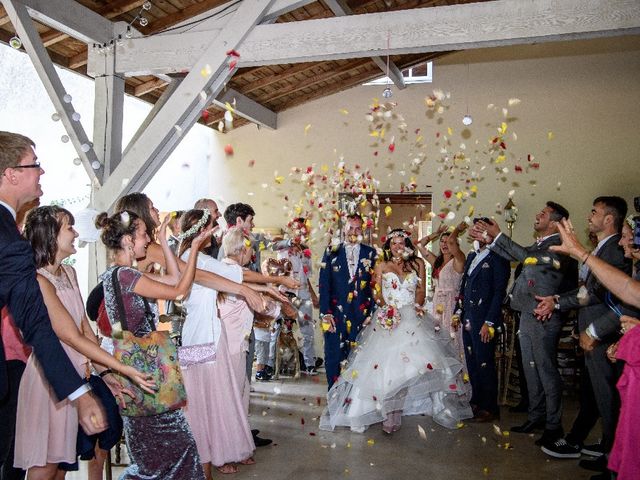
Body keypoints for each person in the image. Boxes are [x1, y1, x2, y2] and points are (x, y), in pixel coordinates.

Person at [14, 206, 154, 479]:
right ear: (51, 235)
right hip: (49, 376)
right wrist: (125, 369)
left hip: (75, 377)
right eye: (69, 227)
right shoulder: (38, 281)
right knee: (44, 466)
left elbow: (85, 331)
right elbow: (70, 336)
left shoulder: (69, 273)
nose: (76, 233)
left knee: (61, 464)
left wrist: (106, 373)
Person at [0, 131, 106, 478]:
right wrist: (80, 393)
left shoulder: (12, 236)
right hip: (43, 373)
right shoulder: (10, 241)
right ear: (11, 174)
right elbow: (37, 325)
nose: (41, 172)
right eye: (35, 165)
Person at [320, 229, 472, 433]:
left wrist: (414, 308)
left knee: (418, 365)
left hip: (411, 317)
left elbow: (421, 292)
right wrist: (388, 311)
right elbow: (377, 293)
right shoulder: (381, 264)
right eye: (394, 244)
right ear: (389, 246)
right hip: (387, 319)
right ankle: (388, 414)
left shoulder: (417, 264)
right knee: (385, 368)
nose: (398, 247)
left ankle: (424, 407)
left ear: (407, 244)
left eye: (401, 243)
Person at [97, 209, 207, 479]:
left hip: (138, 370)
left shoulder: (120, 275)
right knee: (177, 452)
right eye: (144, 235)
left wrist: (162, 237)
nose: (147, 241)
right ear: (126, 240)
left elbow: (172, 279)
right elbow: (180, 290)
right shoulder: (125, 276)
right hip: (146, 376)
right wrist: (193, 249)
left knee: (161, 459)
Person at [536, 197, 631, 477]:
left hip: (605, 332)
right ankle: (605, 450)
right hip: (594, 331)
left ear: (609, 219)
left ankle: (613, 460)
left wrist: (592, 329)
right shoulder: (602, 248)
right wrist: (556, 300)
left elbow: (599, 294)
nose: (590, 215)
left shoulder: (614, 250)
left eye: (595, 212)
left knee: (609, 399)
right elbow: (585, 290)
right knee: (598, 397)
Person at [471, 202, 578, 447]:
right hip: (528, 314)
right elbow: (516, 255)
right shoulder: (540, 243)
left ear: (554, 222)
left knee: (546, 371)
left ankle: (553, 424)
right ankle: (536, 416)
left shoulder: (557, 245)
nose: (537, 215)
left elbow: (527, 258)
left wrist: (497, 235)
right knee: (531, 370)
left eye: (543, 214)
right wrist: (491, 239)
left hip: (543, 315)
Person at [177, 211, 256, 476]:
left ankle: (207, 464)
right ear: (200, 231)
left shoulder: (199, 258)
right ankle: (202, 465)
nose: (215, 232)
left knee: (209, 404)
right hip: (200, 340)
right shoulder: (191, 259)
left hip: (208, 336)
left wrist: (268, 287)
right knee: (201, 406)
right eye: (212, 227)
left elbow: (232, 277)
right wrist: (274, 282)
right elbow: (234, 277)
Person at [459, 217, 511, 423]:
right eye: (475, 228)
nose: (475, 232)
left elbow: (499, 292)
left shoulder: (498, 257)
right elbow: (464, 286)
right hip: (468, 317)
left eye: (480, 229)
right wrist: (458, 311)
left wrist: (489, 322)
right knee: (472, 361)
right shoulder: (473, 256)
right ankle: (477, 401)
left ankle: (490, 407)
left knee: (485, 362)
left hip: (484, 320)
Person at [319, 214, 376, 388]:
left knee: (359, 358)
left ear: (363, 231)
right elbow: (324, 284)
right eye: (350, 228)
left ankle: (353, 401)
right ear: (344, 229)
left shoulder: (371, 253)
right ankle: (333, 397)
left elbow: (375, 287)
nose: (353, 232)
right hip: (335, 315)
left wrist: (372, 313)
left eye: (357, 228)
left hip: (361, 316)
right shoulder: (331, 251)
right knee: (334, 356)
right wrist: (326, 314)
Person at [418, 223, 468, 375]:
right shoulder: (437, 262)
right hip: (437, 305)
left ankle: (457, 377)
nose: (445, 244)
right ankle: (442, 377)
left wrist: (456, 231)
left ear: (455, 245)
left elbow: (453, 244)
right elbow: (420, 245)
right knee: (437, 340)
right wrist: (436, 233)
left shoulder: (459, 260)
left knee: (452, 340)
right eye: (442, 241)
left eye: (448, 242)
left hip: (452, 304)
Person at [275, 217, 321, 374]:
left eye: (303, 229)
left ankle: (309, 363)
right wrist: (290, 243)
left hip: (303, 293)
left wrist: (313, 296)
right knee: (279, 329)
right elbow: (272, 244)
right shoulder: (282, 246)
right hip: (285, 294)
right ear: (292, 230)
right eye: (297, 228)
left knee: (308, 330)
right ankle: (272, 364)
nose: (300, 231)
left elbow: (306, 277)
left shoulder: (306, 252)